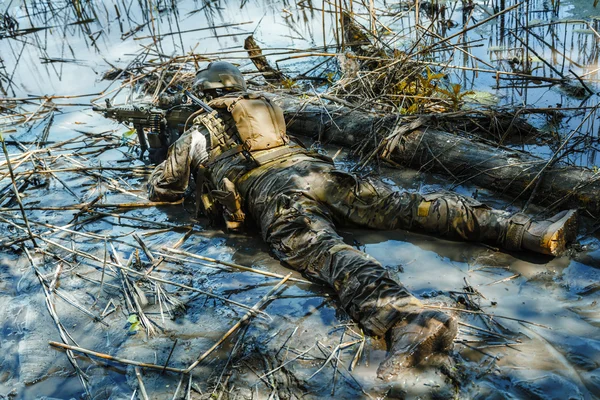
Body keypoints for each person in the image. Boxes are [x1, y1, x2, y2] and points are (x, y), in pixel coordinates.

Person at [148, 61, 578, 379]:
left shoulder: (198, 130)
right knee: (413, 206)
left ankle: (407, 320)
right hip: (321, 174)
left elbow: (163, 189)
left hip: (277, 198)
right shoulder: (266, 110)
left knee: (329, 254)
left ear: (204, 94)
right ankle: (530, 232)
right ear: (240, 88)